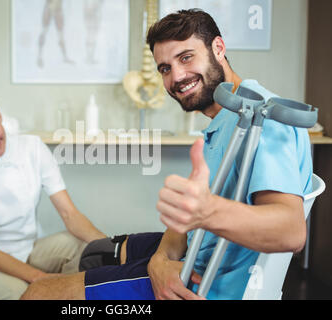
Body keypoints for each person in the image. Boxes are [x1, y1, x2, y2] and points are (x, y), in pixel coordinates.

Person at [20, 9, 312, 300]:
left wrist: (207, 213)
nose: (177, 76)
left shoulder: (262, 118)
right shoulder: (226, 118)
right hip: (195, 253)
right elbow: (187, 220)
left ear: (218, 48)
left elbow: (291, 231)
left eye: (186, 57)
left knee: (38, 294)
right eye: (165, 68)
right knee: (97, 254)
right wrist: (159, 262)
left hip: (204, 283)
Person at [0, 88, 106, 300]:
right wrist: (42, 279)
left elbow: (70, 215)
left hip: (28, 249)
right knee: (29, 296)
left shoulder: (33, 148)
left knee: (86, 248)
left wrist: (115, 247)